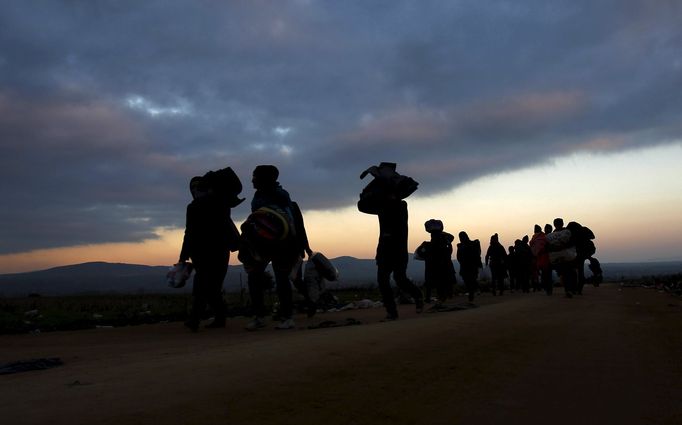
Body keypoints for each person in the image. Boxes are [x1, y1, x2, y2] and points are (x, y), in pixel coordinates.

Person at [240, 165, 311, 330]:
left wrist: (301, 246)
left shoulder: (278, 195)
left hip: (282, 245)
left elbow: (291, 221)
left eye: (255, 176)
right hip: (263, 244)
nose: (252, 180)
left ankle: (286, 317)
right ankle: (260, 316)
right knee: (255, 277)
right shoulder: (261, 195)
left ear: (264, 179)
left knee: (280, 279)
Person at [179, 173, 241, 332]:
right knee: (207, 285)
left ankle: (199, 318)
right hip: (207, 252)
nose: (194, 190)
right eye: (192, 187)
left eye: (197, 187)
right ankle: (208, 318)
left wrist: (184, 254)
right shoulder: (216, 204)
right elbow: (190, 231)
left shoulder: (212, 204)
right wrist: (184, 254)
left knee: (207, 285)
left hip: (213, 251)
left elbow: (190, 231)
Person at [416, 219, 457, 306]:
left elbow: (420, 253)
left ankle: (438, 298)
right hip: (437, 267)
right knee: (436, 282)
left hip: (437, 267)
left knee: (437, 282)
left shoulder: (432, 245)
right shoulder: (433, 245)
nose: (433, 237)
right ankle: (437, 297)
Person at [457, 231, 482, 303]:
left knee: (471, 279)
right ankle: (474, 290)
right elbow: (458, 256)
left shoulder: (472, 244)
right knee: (467, 280)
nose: (461, 238)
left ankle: (471, 294)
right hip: (465, 266)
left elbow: (477, 254)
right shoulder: (461, 246)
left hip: (472, 266)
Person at [530, 224, 552, 295]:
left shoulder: (540, 237)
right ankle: (548, 288)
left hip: (545, 258)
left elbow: (532, 246)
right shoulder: (542, 237)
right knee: (546, 274)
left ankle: (548, 288)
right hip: (544, 258)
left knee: (546, 274)